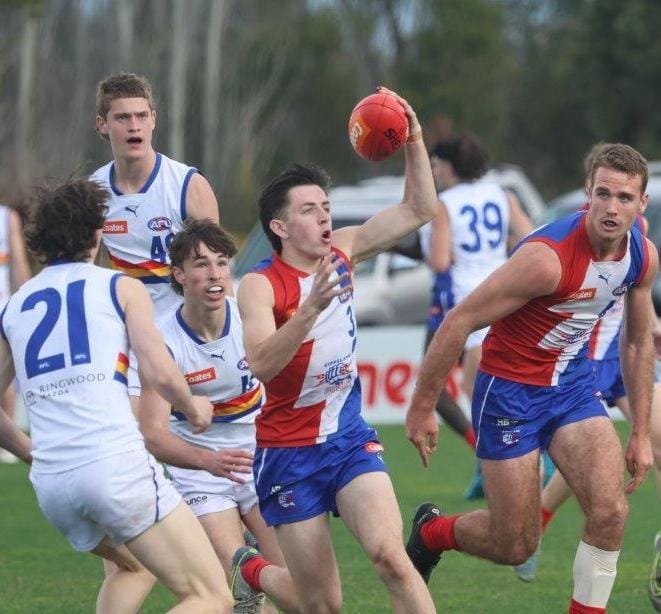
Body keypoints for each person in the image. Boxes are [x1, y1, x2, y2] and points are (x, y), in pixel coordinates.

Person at [405, 143, 657, 614]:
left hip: (573, 387)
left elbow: (638, 343)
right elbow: (458, 321)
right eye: (603, 194)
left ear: (641, 204)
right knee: (515, 544)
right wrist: (422, 408)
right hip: (509, 393)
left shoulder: (641, 256)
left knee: (610, 513)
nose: (611, 207)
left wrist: (641, 432)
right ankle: (431, 532)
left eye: (625, 198)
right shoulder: (547, 259)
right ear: (588, 193)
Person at [237, 87, 437, 613]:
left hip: (348, 439)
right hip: (287, 453)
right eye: (309, 211)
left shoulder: (344, 249)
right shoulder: (259, 286)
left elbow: (420, 209)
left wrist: (413, 138)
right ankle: (252, 570)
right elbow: (259, 365)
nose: (325, 219)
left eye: (326, 208)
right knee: (320, 605)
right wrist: (308, 311)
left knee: (393, 559)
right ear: (280, 228)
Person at [0, 178, 232, 613]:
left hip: (54, 486)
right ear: (97, 233)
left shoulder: (13, 307)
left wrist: (31, 451)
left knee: (134, 568)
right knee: (211, 596)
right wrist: (192, 406)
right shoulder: (119, 286)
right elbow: (158, 368)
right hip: (114, 467)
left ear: (39, 239)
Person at [138, 219, 300, 613]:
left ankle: (250, 579)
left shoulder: (250, 313)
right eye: (201, 264)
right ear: (178, 274)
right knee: (232, 582)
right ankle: (244, 580)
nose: (215, 274)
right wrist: (210, 462)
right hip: (201, 473)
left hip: (261, 459)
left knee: (298, 591)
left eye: (222, 262)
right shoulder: (162, 341)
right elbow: (153, 435)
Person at [419, 133, 535, 499]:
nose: (434, 173)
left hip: (466, 303)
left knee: (466, 388)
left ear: (449, 167)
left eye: (436, 166)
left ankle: (510, 459)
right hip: (504, 293)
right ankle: (497, 461)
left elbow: (439, 261)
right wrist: (501, 253)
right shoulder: (503, 195)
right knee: (489, 384)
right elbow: (531, 237)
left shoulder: (444, 203)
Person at [91, 72, 220, 318]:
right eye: (122, 117)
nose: (134, 126)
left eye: (141, 115)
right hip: (126, 328)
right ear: (102, 124)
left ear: (153, 119)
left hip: (185, 331)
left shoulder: (190, 185)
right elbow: (85, 273)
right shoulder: (93, 192)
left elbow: (217, 272)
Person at [0, 202, 31, 463]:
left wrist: (25, 299)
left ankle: (6, 437)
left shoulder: (7, 216)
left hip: (1, 305)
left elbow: (18, 262)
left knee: (2, 370)